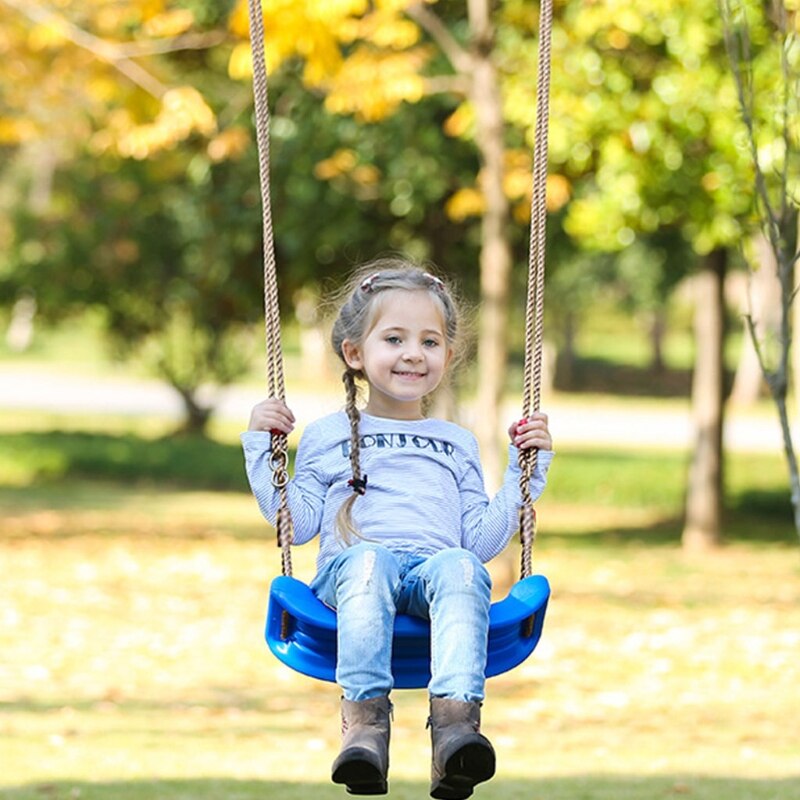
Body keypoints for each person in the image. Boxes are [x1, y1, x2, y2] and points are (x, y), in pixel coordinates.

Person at [242, 258, 553, 799]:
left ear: (448, 356)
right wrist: (259, 446)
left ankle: (456, 731)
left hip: (433, 579)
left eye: (430, 342)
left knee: (459, 565)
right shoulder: (327, 435)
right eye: (394, 338)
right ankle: (364, 728)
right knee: (371, 559)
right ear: (355, 353)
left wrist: (528, 471)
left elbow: (477, 543)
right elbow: (296, 524)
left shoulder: (455, 442)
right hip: (352, 578)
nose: (414, 353)